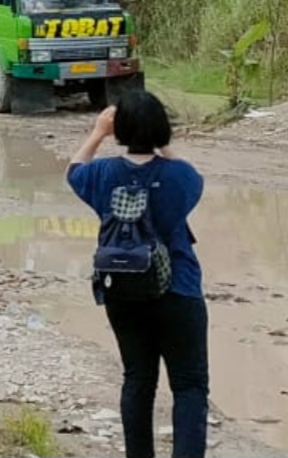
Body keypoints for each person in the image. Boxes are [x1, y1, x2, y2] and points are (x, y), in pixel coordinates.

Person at [67, 92, 208, 458]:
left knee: (138, 380)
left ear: (119, 130)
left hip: (122, 290)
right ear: (162, 129)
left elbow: (73, 170)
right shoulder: (179, 176)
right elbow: (194, 178)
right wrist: (164, 145)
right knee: (190, 386)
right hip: (179, 289)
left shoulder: (101, 173)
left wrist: (97, 133)